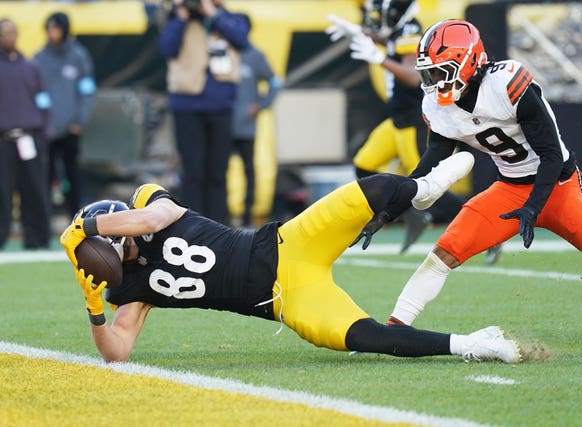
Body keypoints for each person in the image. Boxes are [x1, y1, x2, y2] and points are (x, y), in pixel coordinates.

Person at [59, 152, 522, 364]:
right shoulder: (129, 290)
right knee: (372, 339)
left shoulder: (149, 203)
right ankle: (472, 344)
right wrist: (95, 312)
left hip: (289, 243)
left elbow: (147, 220)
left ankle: (424, 190)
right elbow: (117, 354)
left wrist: (87, 229)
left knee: (374, 190)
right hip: (286, 299)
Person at [372, 19, 582, 327]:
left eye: (440, 71)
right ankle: (394, 329)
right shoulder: (439, 106)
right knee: (443, 254)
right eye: (429, 72)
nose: (434, 81)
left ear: (467, 62)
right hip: (510, 190)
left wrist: (534, 206)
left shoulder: (506, 83)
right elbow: (431, 162)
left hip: (558, 188)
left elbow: (551, 154)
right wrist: (390, 210)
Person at [326, 1, 501, 262]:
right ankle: (414, 215)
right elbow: (390, 39)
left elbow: (411, 74)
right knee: (364, 164)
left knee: (425, 185)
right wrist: (360, 33)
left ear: (396, 12)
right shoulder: (400, 30)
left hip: (413, 120)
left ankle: (487, 231)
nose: (379, 18)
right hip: (397, 119)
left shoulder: (410, 30)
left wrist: (379, 58)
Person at [158, 0, 249, 224]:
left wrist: (213, 12)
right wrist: (180, 14)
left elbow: (242, 40)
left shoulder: (229, 18)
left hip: (221, 107)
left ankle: (218, 226)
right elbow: (166, 48)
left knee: (218, 172)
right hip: (187, 106)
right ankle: (192, 226)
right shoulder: (177, 21)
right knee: (192, 173)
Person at [34, 12, 96, 220]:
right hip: (47, 130)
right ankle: (44, 222)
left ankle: (76, 220)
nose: (53, 34)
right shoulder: (39, 58)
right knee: (45, 176)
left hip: (71, 128)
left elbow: (87, 90)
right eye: (50, 29)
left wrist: (79, 120)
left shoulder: (79, 56)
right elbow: (36, 92)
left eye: (57, 29)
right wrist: (41, 121)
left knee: (72, 175)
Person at [0, 18, 51, 249]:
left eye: (12, 32)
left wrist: (45, 131)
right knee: (3, 191)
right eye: (4, 33)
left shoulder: (31, 67)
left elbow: (43, 101)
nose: (9, 37)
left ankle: (37, 238)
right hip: (4, 140)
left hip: (30, 137)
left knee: (34, 189)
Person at [231, 14, 280, 228]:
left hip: (245, 127)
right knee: (217, 172)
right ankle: (219, 217)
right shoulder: (223, 52)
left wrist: (260, 104)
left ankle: (246, 217)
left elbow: (275, 82)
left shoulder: (255, 55)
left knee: (249, 171)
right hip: (221, 125)